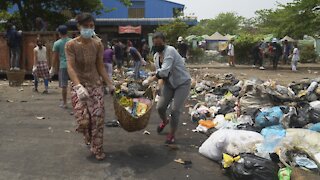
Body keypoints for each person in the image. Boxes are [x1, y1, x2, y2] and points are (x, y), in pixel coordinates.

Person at [65, 13, 114, 160]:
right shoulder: (71, 45)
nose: (89, 29)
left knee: (98, 118)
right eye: (86, 26)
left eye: (91, 26)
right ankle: (88, 136)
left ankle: (97, 148)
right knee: (84, 120)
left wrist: (110, 83)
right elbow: (70, 67)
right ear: (79, 27)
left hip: (95, 85)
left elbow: (100, 66)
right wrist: (78, 86)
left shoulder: (97, 44)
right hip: (78, 86)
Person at [142, 32, 191, 144]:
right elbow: (162, 75)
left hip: (182, 83)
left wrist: (149, 80)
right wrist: (159, 87)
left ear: (164, 42)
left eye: (159, 43)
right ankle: (165, 121)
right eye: (155, 44)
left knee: (174, 110)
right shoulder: (156, 56)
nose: (157, 45)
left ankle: (172, 134)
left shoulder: (170, 51)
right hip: (169, 84)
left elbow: (163, 71)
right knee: (160, 107)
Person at [51, 25, 72, 108]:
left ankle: (64, 103)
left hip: (63, 66)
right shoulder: (72, 42)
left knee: (64, 85)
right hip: (72, 65)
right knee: (75, 84)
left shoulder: (57, 43)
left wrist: (52, 67)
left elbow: (54, 57)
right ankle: (77, 102)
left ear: (59, 33)